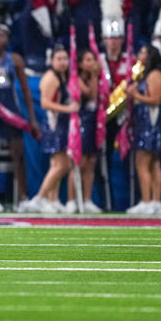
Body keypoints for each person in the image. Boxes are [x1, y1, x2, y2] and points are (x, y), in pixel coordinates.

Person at [0, 24, 40, 213]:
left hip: (11, 110)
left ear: (7, 39)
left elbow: (26, 90)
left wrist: (32, 118)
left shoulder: (15, 60)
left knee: (18, 154)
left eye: (1, 36)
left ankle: (22, 197)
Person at [28, 45, 80, 213]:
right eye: (59, 59)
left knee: (56, 164)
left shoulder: (62, 76)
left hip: (60, 123)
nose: (63, 62)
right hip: (54, 123)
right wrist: (69, 109)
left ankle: (53, 198)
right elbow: (45, 103)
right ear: (51, 61)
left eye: (65, 59)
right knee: (63, 165)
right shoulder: (51, 77)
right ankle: (40, 197)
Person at [126, 44, 161, 214]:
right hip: (149, 121)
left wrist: (135, 94)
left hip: (151, 122)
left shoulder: (154, 75)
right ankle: (155, 201)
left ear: (150, 55)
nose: (139, 54)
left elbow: (155, 100)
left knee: (143, 161)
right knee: (153, 162)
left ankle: (147, 201)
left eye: (142, 52)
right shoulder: (149, 73)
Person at [65, 49, 103, 214]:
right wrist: (95, 75)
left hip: (93, 120)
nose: (91, 63)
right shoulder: (75, 78)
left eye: (93, 60)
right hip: (80, 120)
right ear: (80, 64)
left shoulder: (95, 78)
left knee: (91, 162)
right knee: (78, 162)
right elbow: (90, 94)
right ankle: (71, 200)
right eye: (87, 60)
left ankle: (87, 199)